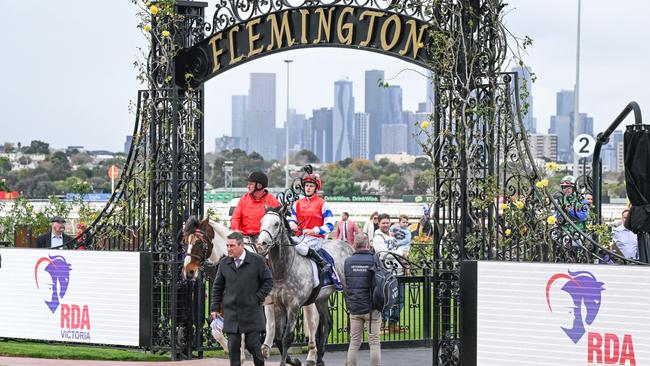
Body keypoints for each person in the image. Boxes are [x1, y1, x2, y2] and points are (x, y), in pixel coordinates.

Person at [210, 232, 274, 366]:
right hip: (232, 313)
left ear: (241, 245)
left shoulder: (257, 261)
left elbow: (268, 281)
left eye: (232, 246)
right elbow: (217, 287)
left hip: (251, 312)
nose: (228, 249)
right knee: (233, 348)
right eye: (227, 245)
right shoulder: (224, 263)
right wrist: (215, 308)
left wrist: (257, 297)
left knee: (254, 346)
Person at [344, 233, 381, 366]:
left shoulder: (348, 262)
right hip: (372, 308)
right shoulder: (374, 260)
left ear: (355, 244)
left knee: (354, 342)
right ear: (368, 244)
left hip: (355, 307)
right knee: (374, 342)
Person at [288, 173, 335, 274]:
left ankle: (322, 262)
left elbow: (330, 225)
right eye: (306, 185)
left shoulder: (323, 204)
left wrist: (313, 230)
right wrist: (292, 224)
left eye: (311, 186)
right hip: (300, 237)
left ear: (316, 188)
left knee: (299, 246)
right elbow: (291, 219)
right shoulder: (297, 203)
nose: (308, 188)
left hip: (316, 238)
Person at [371, 214, 405, 333]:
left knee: (400, 300)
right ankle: (382, 324)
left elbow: (395, 251)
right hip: (387, 274)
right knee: (386, 299)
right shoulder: (378, 238)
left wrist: (397, 252)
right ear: (379, 224)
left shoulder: (391, 236)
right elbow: (384, 254)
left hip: (399, 271)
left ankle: (393, 324)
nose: (386, 225)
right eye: (383, 223)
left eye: (387, 222)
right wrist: (400, 252)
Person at [230, 171, 281, 242]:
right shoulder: (244, 199)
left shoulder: (273, 201)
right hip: (245, 237)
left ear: (259, 186)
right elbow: (235, 217)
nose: (248, 186)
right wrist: (235, 229)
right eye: (248, 184)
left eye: (251, 184)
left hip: (264, 239)